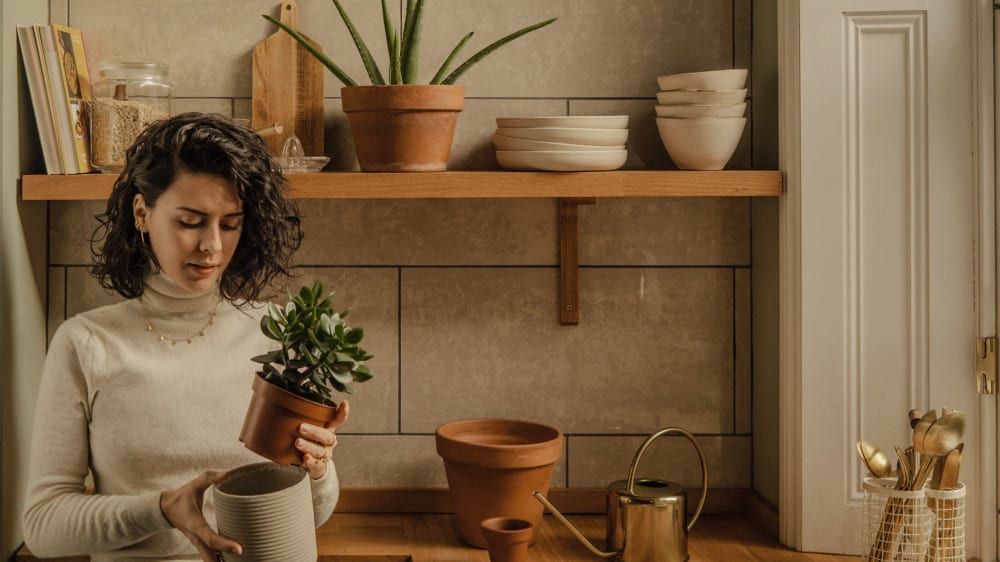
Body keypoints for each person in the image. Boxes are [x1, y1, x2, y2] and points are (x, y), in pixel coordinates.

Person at [21, 112, 347, 561]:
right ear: (142, 213)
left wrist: (318, 472)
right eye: (191, 221)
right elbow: (43, 527)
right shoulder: (86, 343)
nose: (211, 245)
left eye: (229, 223)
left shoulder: (281, 333)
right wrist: (162, 509)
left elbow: (312, 514)